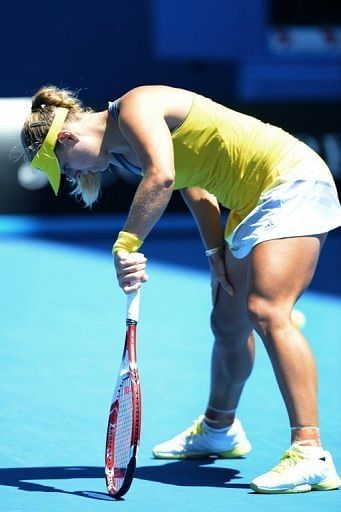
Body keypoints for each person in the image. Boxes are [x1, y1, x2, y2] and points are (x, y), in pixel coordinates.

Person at [21, 84, 341, 494]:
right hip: (249, 203)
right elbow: (192, 183)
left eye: (65, 167)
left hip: (290, 180)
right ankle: (219, 428)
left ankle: (310, 452)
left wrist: (126, 244)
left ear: (66, 137)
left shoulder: (135, 108)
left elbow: (164, 175)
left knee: (266, 310)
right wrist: (214, 253)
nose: (73, 176)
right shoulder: (127, 149)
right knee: (228, 321)